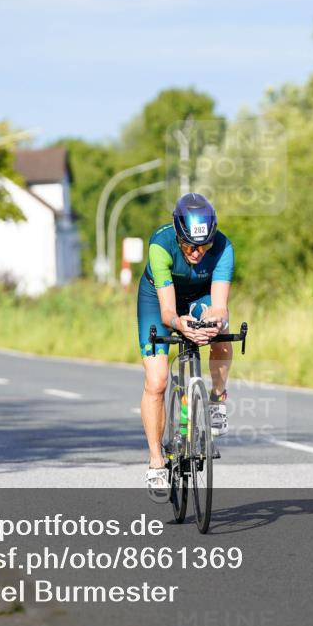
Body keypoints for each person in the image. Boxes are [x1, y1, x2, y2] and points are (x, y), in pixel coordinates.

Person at [137, 193, 234, 501]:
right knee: (157, 381)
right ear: (178, 234)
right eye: (190, 245)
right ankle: (156, 461)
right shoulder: (160, 244)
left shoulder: (223, 248)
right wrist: (180, 325)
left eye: (204, 245)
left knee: (222, 328)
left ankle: (217, 397)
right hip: (159, 299)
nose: (197, 252)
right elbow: (168, 314)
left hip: (199, 296)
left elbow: (219, 306)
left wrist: (212, 324)